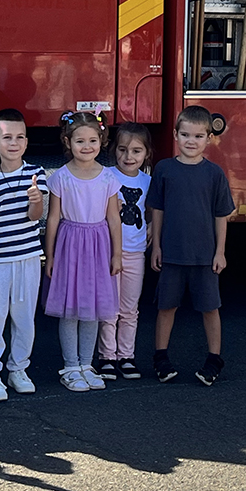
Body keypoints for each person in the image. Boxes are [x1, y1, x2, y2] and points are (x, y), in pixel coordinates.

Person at [149, 105, 235, 386]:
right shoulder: (164, 169)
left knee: (210, 307)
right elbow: (157, 210)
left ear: (209, 138)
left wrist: (220, 252)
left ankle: (214, 359)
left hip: (204, 257)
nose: (191, 141)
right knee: (166, 306)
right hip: (171, 255)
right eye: (185, 134)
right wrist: (156, 246)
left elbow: (221, 215)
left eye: (198, 136)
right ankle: (161, 358)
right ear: (175, 135)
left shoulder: (214, 174)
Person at [44, 112, 123, 392]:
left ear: (101, 141)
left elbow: (113, 218)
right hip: (70, 245)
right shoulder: (61, 177)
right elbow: (53, 218)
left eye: (92, 140)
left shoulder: (108, 177)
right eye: (80, 141)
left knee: (92, 307)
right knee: (70, 308)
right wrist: (50, 255)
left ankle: (87, 365)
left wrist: (117, 253)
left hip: (98, 247)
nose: (87, 146)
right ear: (68, 142)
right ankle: (70, 367)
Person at [0, 108, 48, 403]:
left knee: (24, 318)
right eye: (7, 137)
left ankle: (18, 369)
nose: (13, 143)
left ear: (26, 142)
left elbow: (36, 216)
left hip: (28, 260)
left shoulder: (35, 174)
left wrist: (36, 200)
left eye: (19, 137)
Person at [97, 122, 153, 381]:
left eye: (136, 151)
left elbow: (153, 211)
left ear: (146, 153)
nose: (129, 156)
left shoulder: (148, 181)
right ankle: (107, 356)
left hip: (135, 252)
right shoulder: (105, 176)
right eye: (122, 150)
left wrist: (152, 227)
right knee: (109, 307)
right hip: (109, 251)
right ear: (114, 150)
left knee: (130, 308)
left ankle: (126, 356)